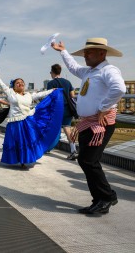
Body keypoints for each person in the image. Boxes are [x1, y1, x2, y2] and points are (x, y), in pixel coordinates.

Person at [52, 37, 126, 214]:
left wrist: (103, 107)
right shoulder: (89, 72)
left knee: (88, 160)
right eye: (85, 53)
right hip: (88, 123)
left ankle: (107, 196)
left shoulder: (109, 70)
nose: (85, 56)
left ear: (102, 53)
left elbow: (119, 88)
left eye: (89, 52)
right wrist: (63, 51)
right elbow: (73, 67)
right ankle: (100, 200)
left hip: (99, 123)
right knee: (86, 161)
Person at [0, 74, 64, 168]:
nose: (20, 84)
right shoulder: (11, 93)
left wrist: (52, 90)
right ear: (14, 86)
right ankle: (17, 159)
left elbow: (40, 94)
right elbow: (2, 85)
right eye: (17, 83)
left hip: (27, 121)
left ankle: (24, 161)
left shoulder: (29, 95)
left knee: (26, 141)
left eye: (22, 82)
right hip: (15, 122)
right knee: (17, 142)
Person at [46, 64, 78, 160]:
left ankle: (47, 147)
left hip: (57, 110)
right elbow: (72, 95)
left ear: (52, 72)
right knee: (67, 129)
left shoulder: (51, 83)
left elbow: (50, 97)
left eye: (51, 72)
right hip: (68, 109)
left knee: (52, 128)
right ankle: (73, 150)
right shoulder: (67, 82)